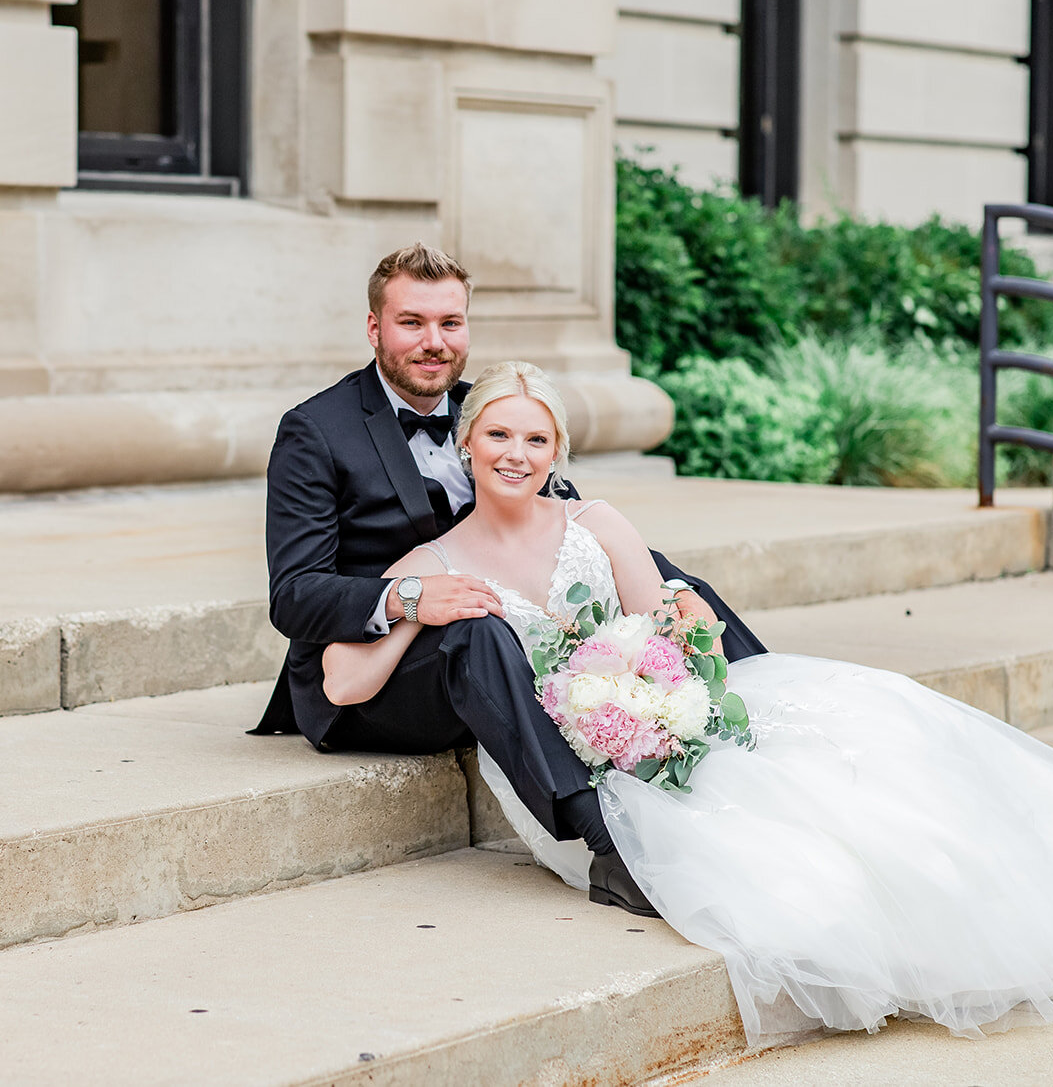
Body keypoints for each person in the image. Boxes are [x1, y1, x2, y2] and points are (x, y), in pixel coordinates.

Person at [321, 358, 1053, 1046]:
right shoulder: (434, 560)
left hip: (661, 724)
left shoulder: (595, 524)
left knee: (873, 748)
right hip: (567, 762)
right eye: (499, 436)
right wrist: (410, 607)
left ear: (556, 449)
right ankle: (615, 853)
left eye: (536, 439)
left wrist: (683, 640)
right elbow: (344, 683)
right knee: (793, 882)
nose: (516, 455)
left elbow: (665, 629)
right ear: (470, 442)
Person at [253, 243, 766, 917]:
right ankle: (606, 843)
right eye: (412, 322)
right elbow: (293, 594)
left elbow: (566, 525)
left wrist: (672, 586)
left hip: (498, 633)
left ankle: (758, 737)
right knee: (476, 629)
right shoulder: (315, 432)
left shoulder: (487, 411)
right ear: (374, 328)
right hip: (377, 673)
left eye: (450, 323)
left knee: (677, 585)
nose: (433, 342)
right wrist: (408, 595)